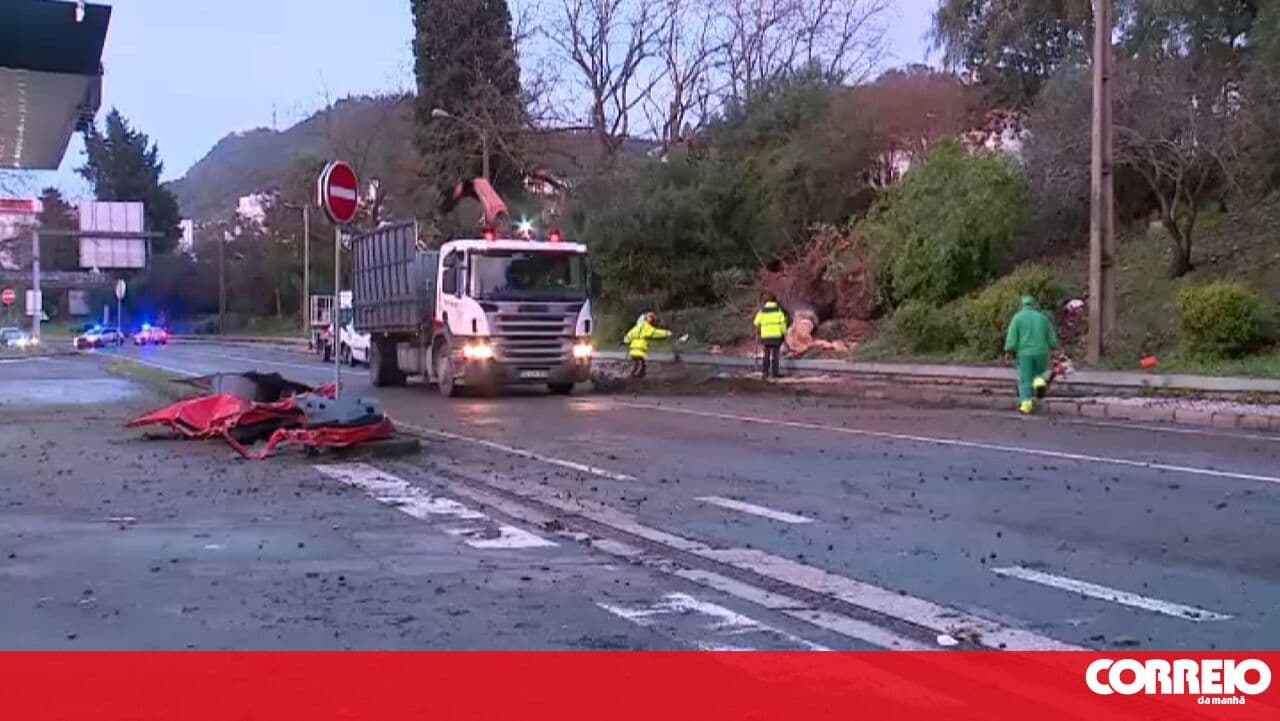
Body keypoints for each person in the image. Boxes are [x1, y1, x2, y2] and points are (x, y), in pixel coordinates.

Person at [1003, 295, 1059, 414]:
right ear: (1034, 305)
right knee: (1039, 372)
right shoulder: (1043, 318)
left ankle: (1026, 404)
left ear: (1022, 305)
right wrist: (1054, 348)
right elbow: (1051, 336)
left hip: (1024, 354)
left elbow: (1012, 338)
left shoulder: (1017, 318)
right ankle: (1039, 383)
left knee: (1025, 379)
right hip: (1041, 352)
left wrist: (1009, 350)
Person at [623, 311, 671, 379]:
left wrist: (625, 341)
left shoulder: (636, 328)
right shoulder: (647, 328)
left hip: (632, 351)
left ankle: (633, 375)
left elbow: (628, 336)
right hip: (640, 351)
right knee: (642, 365)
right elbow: (657, 333)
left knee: (637, 364)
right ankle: (636, 376)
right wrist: (667, 333)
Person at [752, 292, 789, 379]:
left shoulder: (762, 311)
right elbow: (782, 324)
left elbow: (756, 322)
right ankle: (775, 373)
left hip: (766, 336)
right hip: (776, 336)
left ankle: (765, 372)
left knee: (766, 354)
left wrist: (758, 332)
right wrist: (784, 333)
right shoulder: (779, 311)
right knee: (775, 354)